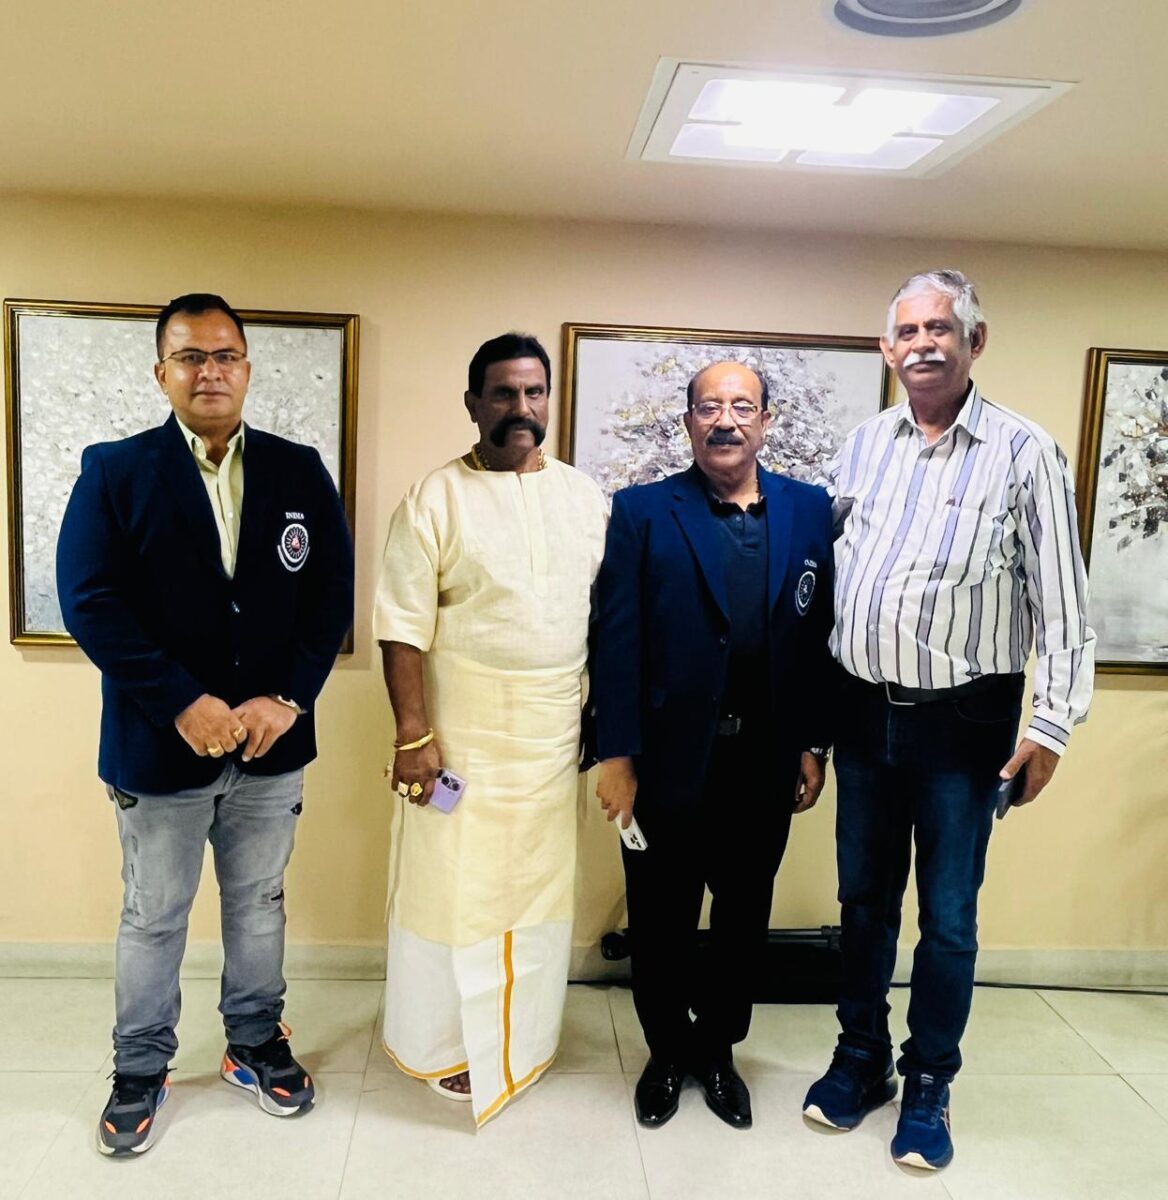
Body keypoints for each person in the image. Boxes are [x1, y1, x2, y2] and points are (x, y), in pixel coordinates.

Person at [803, 269, 1095, 1170]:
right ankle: (861, 1058)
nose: (923, 343)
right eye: (908, 331)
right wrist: (812, 725)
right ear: (886, 348)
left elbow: (1064, 607)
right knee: (862, 903)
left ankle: (929, 1079)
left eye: (940, 327)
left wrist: (1050, 726)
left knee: (950, 917)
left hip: (963, 726)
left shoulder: (1025, 452)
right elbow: (829, 583)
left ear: (975, 340)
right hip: (862, 714)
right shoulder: (863, 445)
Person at [56, 293, 354, 1158]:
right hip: (159, 747)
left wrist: (287, 698)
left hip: (271, 746)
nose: (210, 371)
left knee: (259, 904)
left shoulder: (299, 470)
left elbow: (329, 595)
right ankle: (140, 1068)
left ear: (247, 369)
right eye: (190, 356)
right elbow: (90, 601)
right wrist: (180, 701)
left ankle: (254, 1044)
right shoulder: (115, 471)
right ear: (163, 374)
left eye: (225, 355)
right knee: (155, 915)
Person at [592, 361, 835, 1130]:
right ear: (688, 422)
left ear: (767, 419)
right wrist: (616, 756)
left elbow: (816, 642)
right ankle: (667, 1053)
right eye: (708, 407)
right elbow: (616, 641)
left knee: (742, 918)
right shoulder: (642, 511)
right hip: (665, 763)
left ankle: (719, 1051)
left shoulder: (809, 510)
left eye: (741, 406)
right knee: (660, 918)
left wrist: (813, 744)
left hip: (763, 760)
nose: (725, 420)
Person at [372, 332, 608, 1126]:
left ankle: (522, 1043)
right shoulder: (433, 498)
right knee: (452, 889)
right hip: (459, 743)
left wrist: (601, 724)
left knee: (538, 889)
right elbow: (401, 628)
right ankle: (447, 1045)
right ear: (473, 403)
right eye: (504, 393)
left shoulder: (585, 499)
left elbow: (607, 622)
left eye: (534, 392)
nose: (521, 408)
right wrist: (414, 737)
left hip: (550, 742)